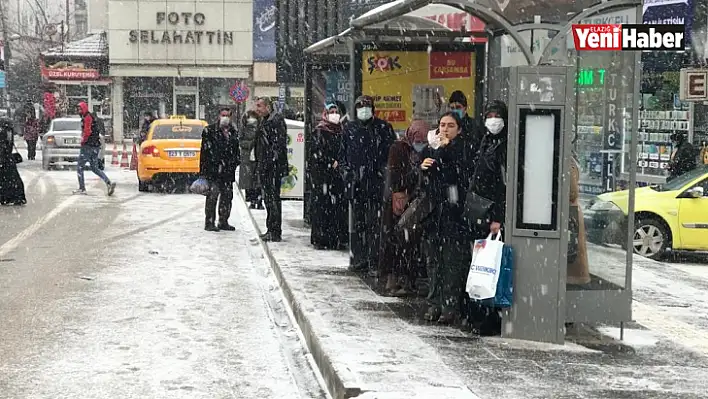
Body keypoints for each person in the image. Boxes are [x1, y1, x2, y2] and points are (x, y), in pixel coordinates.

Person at [420, 112, 471, 324]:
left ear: (458, 129)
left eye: (450, 125)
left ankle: (450, 306)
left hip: (454, 216)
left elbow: (458, 175)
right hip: (435, 215)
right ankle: (434, 303)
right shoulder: (431, 148)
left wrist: (445, 150)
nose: (445, 129)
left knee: (452, 263)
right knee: (434, 263)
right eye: (442, 125)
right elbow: (427, 179)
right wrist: (422, 169)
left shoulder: (462, 149)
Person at [339, 95, 397, 274]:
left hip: (376, 184)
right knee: (358, 223)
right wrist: (347, 174)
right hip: (356, 185)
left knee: (376, 224)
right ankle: (359, 258)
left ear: (373, 109)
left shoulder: (383, 128)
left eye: (367, 106)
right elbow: (342, 155)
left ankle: (375, 261)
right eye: (360, 106)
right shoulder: (349, 128)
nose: (364, 109)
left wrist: (382, 172)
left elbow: (390, 155)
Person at [466, 100, 509, 335]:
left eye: (497, 115)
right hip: (480, 210)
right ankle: (479, 313)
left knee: (492, 266)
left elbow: (505, 186)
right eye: (489, 115)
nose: (493, 120)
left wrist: (498, 217)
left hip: (493, 214)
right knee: (481, 264)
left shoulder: (506, 145)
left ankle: (491, 316)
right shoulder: (486, 141)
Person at [379, 119, 429, 296]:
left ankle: (408, 280)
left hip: (415, 205)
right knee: (396, 241)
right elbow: (396, 178)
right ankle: (394, 280)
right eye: (418, 141)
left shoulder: (427, 152)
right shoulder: (398, 149)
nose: (420, 145)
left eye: (423, 142)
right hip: (398, 203)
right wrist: (417, 172)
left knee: (411, 243)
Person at [310, 102, 348, 250]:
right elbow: (316, 154)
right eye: (331, 111)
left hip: (337, 177)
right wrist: (330, 161)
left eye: (336, 111)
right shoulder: (320, 130)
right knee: (322, 206)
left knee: (337, 207)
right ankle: (321, 238)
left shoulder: (342, 131)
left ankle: (335, 238)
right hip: (322, 176)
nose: (334, 114)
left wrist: (340, 162)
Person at [199, 107, 240, 232]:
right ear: (218, 116)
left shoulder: (233, 131)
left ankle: (223, 221)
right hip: (213, 170)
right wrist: (204, 172)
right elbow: (205, 152)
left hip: (227, 171)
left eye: (227, 115)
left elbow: (235, 150)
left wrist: (234, 162)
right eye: (223, 115)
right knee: (213, 196)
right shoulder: (210, 130)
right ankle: (209, 222)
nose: (225, 117)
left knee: (227, 196)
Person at [254, 97, 289, 242]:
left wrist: (269, 162)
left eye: (260, 106)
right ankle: (271, 229)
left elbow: (277, 145)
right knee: (268, 199)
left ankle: (275, 231)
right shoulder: (265, 120)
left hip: (273, 167)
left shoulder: (276, 121)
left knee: (273, 199)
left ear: (268, 107)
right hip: (266, 166)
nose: (257, 109)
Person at [74, 101, 115, 196]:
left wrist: (83, 141)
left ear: (84, 109)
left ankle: (82, 188)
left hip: (88, 146)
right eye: (78, 109)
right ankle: (108, 182)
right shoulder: (91, 117)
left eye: (80, 109)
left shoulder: (87, 117)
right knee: (94, 168)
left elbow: (87, 131)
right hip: (95, 146)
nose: (79, 111)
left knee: (80, 167)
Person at [448, 90, 483, 180]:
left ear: (465, 108)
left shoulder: (475, 126)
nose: (455, 110)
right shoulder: (446, 126)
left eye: (458, 107)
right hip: (451, 172)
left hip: (470, 172)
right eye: (452, 108)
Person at [239, 110, 263, 209]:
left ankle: (259, 200)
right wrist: (250, 143)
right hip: (247, 158)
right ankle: (252, 200)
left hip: (258, 157)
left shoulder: (261, 129)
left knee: (258, 180)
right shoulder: (244, 129)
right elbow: (241, 142)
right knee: (249, 181)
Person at [0, 118, 26, 205]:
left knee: (6, 180)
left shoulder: (3, 133)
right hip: (8, 160)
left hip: (4, 160)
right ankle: (16, 197)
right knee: (13, 179)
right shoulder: (7, 133)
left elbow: (4, 148)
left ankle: (6, 197)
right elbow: (8, 147)